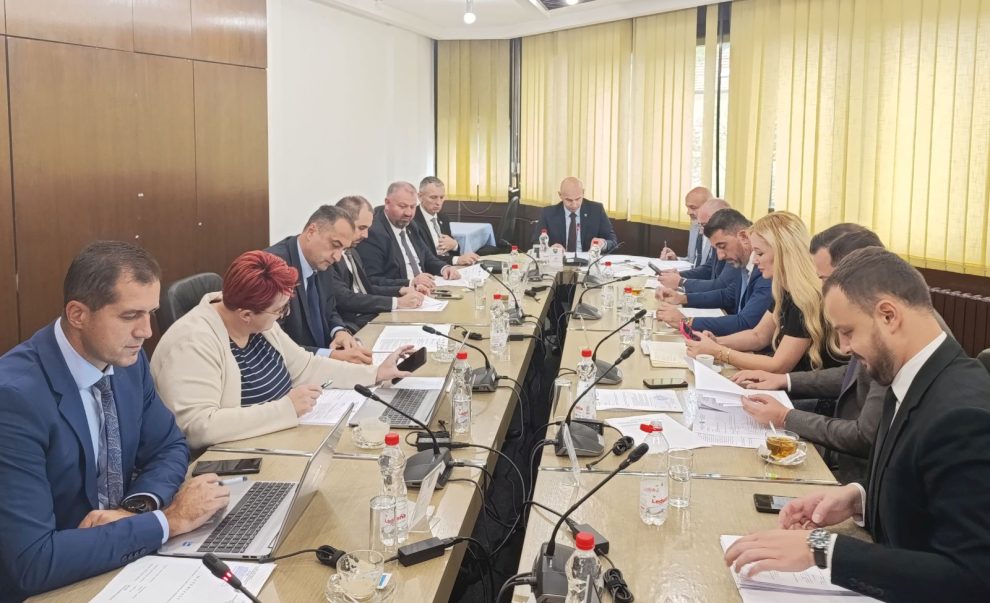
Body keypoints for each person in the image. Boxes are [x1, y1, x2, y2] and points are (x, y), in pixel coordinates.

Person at [724, 248, 990, 601]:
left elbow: (972, 577)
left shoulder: (962, 416)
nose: (844, 347)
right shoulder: (912, 375)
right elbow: (921, 489)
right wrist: (857, 498)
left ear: (888, 315)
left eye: (847, 332)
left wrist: (824, 549)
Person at [0, 241, 229, 600]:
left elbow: (169, 446)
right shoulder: (14, 398)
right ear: (78, 314)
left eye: (151, 313)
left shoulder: (126, 361)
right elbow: (33, 562)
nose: (146, 331)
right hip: (53, 585)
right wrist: (169, 521)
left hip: (125, 560)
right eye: (130, 316)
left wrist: (136, 508)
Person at [151, 251, 411, 450]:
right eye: (279, 310)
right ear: (245, 315)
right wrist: (286, 409)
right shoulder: (192, 342)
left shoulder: (260, 323)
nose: (283, 315)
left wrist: (375, 374)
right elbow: (198, 427)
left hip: (280, 437)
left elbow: (307, 367)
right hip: (234, 456)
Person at [730, 228, 889, 484]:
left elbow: (863, 437)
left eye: (825, 279)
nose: (821, 288)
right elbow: (850, 375)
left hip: (855, 472)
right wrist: (785, 381)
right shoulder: (875, 319)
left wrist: (785, 417)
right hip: (848, 459)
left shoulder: (888, 335)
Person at [684, 211, 843, 373]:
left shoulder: (805, 298)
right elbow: (758, 336)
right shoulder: (785, 290)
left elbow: (778, 366)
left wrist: (719, 352)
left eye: (759, 253)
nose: (754, 260)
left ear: (783, 253)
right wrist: (716, 342)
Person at [265, 205, 372, 364]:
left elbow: (330, 309)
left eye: (343, 249)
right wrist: (330, 356)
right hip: (293, 368)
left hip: (324, 362)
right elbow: (274, 343)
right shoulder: (274, 267)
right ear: (311, 232)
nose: (337, 257)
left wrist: (339, 331)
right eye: (335, 245)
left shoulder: (321, 261)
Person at [656, 209, 773, 337]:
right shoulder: (744, 263)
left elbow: (745, 323)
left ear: (743, 237)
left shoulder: (766, 271)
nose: (720, 256)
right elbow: (728, 296)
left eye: (722, 246)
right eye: (716, 248)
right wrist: (682, 298)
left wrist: (687, 321)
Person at [331, 195, 425, 330]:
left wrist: (401, 289)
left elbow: (366, 288)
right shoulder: (330, 257)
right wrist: (396, 302)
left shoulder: (353, 252)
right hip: (352, 326)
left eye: (367, 228)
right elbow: (345, 298)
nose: (365, 235)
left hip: (371, 316)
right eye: (361, 228)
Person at [358, 181, 461, 288]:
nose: (409, 213)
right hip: (401, 293)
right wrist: (410, 282)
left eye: (412, 207)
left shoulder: (411, 225)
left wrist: (444, 268)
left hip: (426, 288)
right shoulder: (373, 232)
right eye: (402, 206)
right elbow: (372, 280)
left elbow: (427, 257)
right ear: (387, 203)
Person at [658, 198, 735, 292]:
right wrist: (679, 275)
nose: (701, 231)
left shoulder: (732, 245)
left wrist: (682, 283)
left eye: (704, 225)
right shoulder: (717, 237)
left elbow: (722, 286)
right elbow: (708, 268)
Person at [530, 177, 618, 253]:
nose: (574, 204)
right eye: (569, 200)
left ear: (583, 193)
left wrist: (603, 244)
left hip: (588, 261)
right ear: (560, 195)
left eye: (578, 199)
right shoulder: (548, 213)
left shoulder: (596, 210)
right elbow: (536, 241)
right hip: (559, 261)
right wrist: (549, 250)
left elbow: (613, 240)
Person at [413, 176, 480, 266]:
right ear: (420, 197)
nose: (438, 202)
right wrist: (457, 260)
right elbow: (425, 257)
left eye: (441, 197)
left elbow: (452, 248)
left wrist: (455, 245)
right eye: (433, 197)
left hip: (450, 265)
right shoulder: (412, 220)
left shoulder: (443, 218)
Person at [659, 186, 713, 263]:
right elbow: (692, 261)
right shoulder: (695, 226)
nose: (688, 212)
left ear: (708, 207)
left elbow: (711, 267)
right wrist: (675, 260)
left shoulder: (718, 232)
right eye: (688, 208)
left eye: (693, 208)